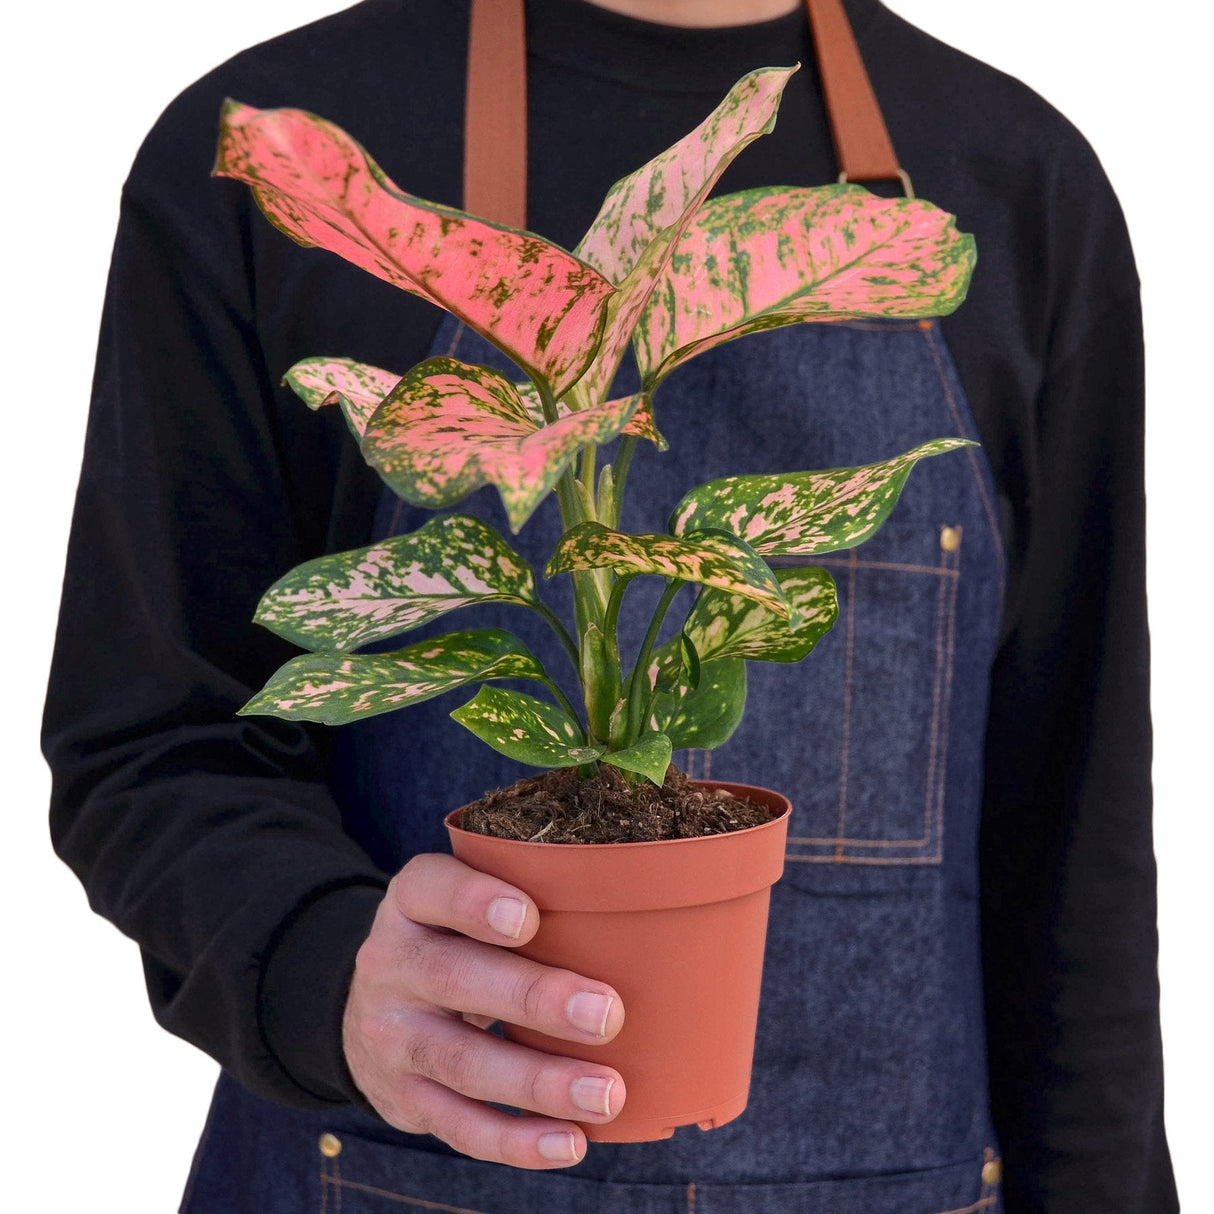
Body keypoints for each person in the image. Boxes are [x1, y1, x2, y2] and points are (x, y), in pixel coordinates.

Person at [43, 0, 1177, 1209]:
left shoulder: (1013, 183)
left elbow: (1071, 841)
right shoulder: (288, 157)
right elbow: (152, 730)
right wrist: (323, 970)